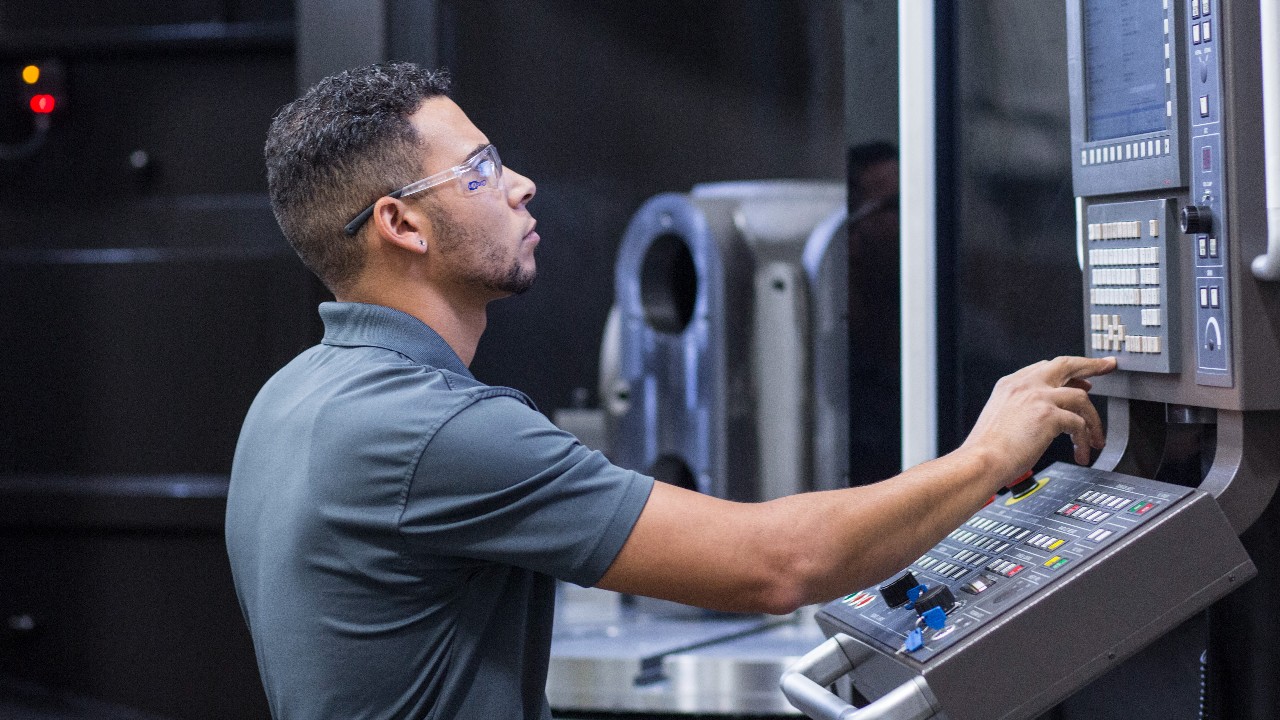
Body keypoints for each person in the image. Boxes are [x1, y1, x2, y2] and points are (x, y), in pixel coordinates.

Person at [225, 62, 1115, 720]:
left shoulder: (291, 398)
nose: (521, 184)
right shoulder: (439, 430)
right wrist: (987, 457)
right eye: (481, 170)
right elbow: (778, 566)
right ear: (401, 224)